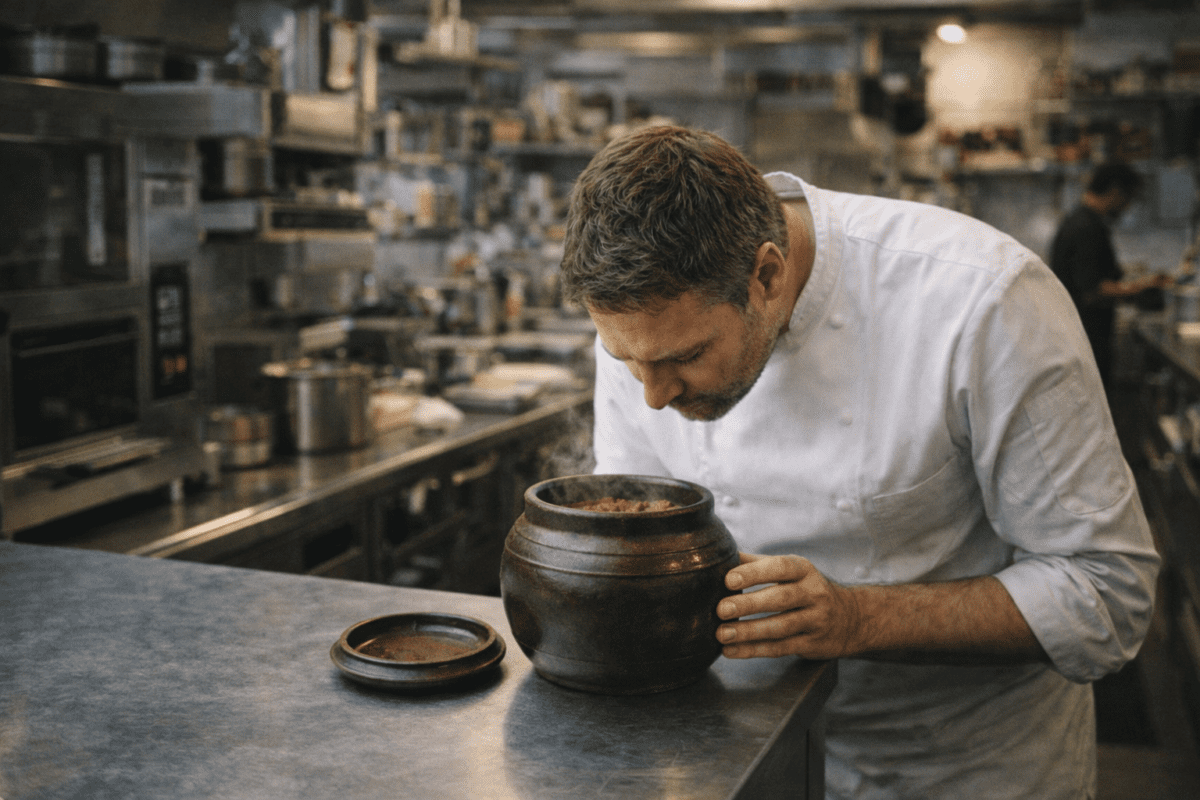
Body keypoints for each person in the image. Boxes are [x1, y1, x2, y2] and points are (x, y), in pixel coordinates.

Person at [560, 125, 1160, 799]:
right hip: (737, 753)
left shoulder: (984, 301)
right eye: (626, 362)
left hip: (961, 766)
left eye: (684, 359)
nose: (653, 394)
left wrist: (856, 617)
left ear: (766, 275)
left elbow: (1107, 593)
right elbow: (635, 538)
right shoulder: (649, 329)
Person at [1049, 162, 1171, 391]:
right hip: (1087, 340)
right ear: (1115, 191)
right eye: (1129, 198)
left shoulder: (1080, 220)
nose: (1127, 206)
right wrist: (1142, 288)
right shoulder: (1087, 228)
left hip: (1078, 338)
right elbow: (1093, 291)